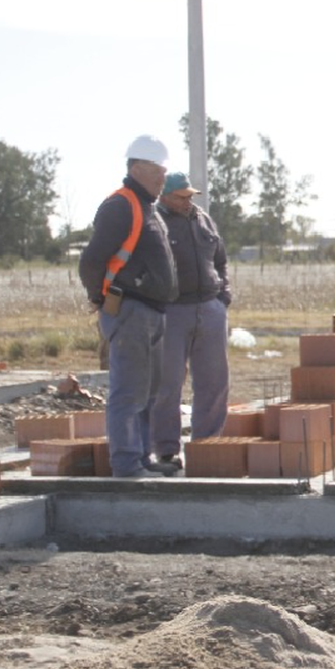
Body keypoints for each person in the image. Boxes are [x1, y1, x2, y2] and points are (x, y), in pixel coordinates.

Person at [78, 136, 180, 479]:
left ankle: (142, 457)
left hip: (152, 312)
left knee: (149, 393)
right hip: (130, 311)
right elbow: (91, 261)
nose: (162, 178)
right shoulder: (120, 206)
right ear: (136, 169)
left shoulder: (148, 207)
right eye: (156, 171)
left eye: (164, 171)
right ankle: (126, 464)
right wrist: (100, 298)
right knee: (129, 392)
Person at [150, 171, 232, 467]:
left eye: (190, 196)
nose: (187, 201)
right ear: (164, 196)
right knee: (168, 383)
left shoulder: (203, 220)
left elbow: (220, 261)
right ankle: (167, 450)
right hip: (172, 311)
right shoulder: (154, 222)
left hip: (209, 307)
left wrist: (223, 298)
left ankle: (206, 446)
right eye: (181, 196)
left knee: (214, 382)